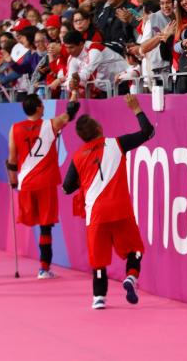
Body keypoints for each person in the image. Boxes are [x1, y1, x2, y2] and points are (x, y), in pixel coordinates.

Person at [62, 94, 154, 309]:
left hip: (96, 213)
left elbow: (67, 187)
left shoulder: (78, 157)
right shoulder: (117, 144)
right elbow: (148, 132)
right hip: (120, 209)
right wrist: (137, 109)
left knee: (99, 259)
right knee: (135, 249)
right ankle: (131, 276)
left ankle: (98, 298)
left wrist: (84, 180)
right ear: (99, 129)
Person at [6, 93, 80, 279]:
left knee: (37, 223)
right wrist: (73, 95)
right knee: (46, 227)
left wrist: (13, 181)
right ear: (38, 108)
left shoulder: (14, 129)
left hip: (26, 183)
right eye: (41, 104)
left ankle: (44, 268)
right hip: (45, 182)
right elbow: (70, 113)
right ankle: (44, 268)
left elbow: (12, 160)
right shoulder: (50, 124)